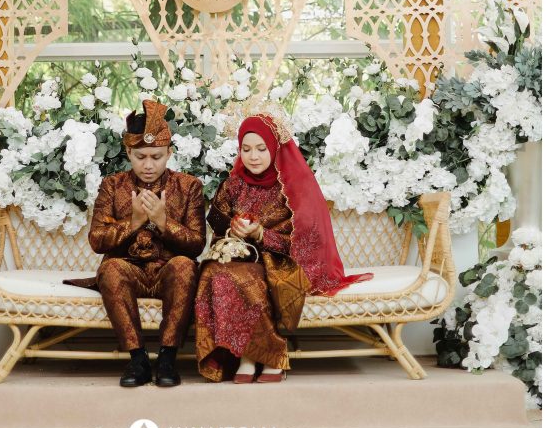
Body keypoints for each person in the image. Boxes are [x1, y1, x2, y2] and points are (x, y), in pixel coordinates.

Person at [195, 110, 374, 383]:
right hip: (237, 258)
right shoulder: (233, 184)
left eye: (261, 148)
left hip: (279, 261)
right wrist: (233, 228)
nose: (253, 156)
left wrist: (261, 234)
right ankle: (251, 355)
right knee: (214, 272)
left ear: (275, 147)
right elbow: (217, 224)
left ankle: (256, 356)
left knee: (243, 277)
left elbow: (308, 242)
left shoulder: (292, 187)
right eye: (246, 149)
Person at [65, 98, 206, 388]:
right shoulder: (112, 186)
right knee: (110, 269)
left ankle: (167, 358)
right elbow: (97, 240)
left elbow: (196, 245)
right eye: (141, 156)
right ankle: (138, 359)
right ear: (128, 152)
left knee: (185, 266)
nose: (149, 165)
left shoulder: (189, 186)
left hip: (168, 271)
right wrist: (134, 222)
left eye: (157, 156)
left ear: (169, 153)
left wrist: (164, 223)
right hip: (129, 270)